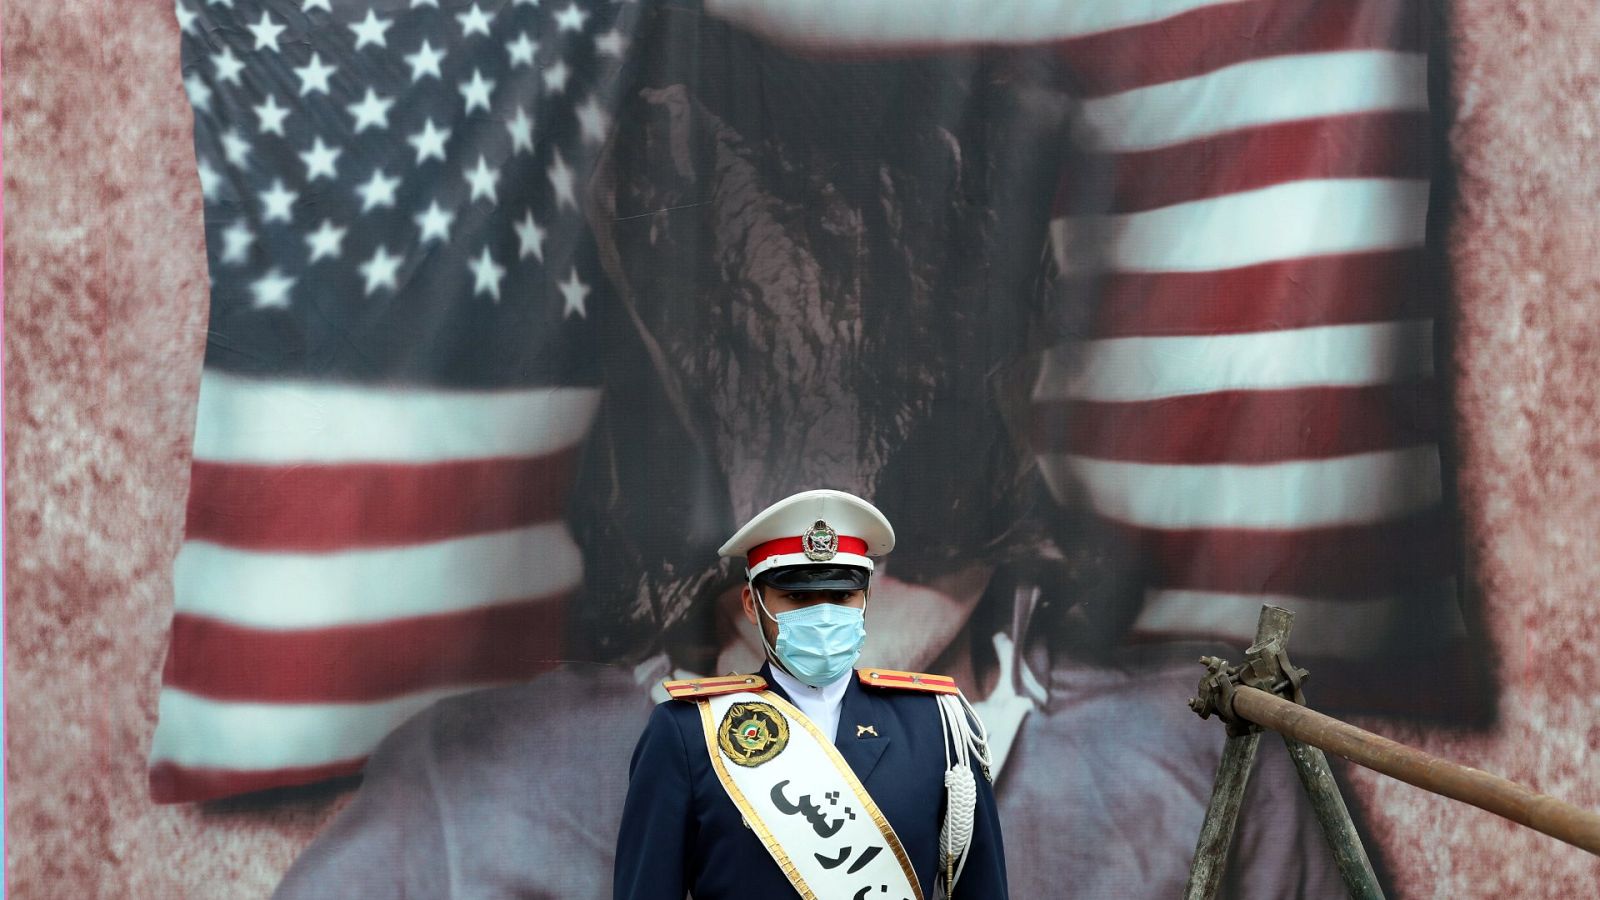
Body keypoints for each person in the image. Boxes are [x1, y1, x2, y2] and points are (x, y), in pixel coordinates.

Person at [612, 489, 1008, 899]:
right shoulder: (688, 733)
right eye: (798, 597)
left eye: (842, 596)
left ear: (865, 599)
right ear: (752, 604)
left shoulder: (937, 726)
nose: (824, 614)